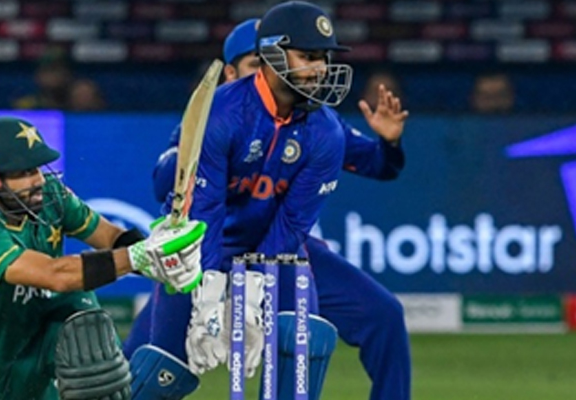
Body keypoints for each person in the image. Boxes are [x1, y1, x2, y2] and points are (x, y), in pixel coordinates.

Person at [125, 5, 411, 400]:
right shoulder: (218, 111)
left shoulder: (325, 130)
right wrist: (209, 290)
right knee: (152, 372)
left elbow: (293, 224)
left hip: (276, 246)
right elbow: (193, 205)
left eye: (323, 58)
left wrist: (255, 287)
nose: (320, 69)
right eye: (308, 57)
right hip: (199, 245)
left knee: (307, 345)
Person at [0, 116, 207, 400]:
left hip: (60, 315)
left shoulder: (50, 194)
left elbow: (110, 238)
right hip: (9, 355)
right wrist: (141, 257)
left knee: (91, 344)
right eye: (22, 173)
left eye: (36, 168)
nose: (37, 180)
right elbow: (54, 275)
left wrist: (161, 256)